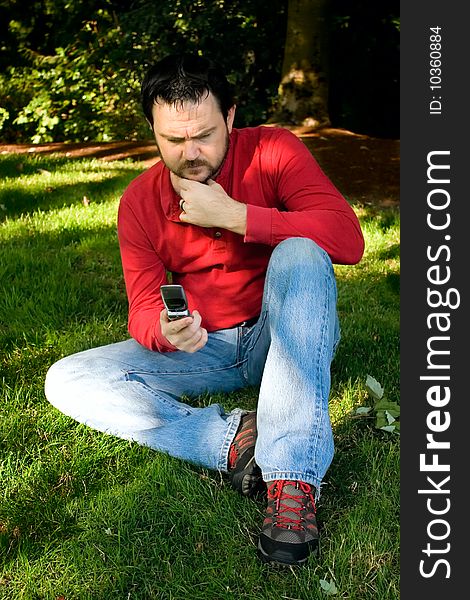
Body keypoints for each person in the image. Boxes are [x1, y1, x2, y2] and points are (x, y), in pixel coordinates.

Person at [45, 53, 364, 567]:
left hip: (283, 332)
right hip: (205, 346)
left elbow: (348, 239)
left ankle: (291, 478)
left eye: (205, 135)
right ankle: (235, 441)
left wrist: (238, 216)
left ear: (231, 117)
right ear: (152, 128)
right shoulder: (139, 201)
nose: (191, 153)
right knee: (67, 380)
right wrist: (165, 331)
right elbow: (143, 305)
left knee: (302, 250)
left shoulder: (273, 150)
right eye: (172, 139)